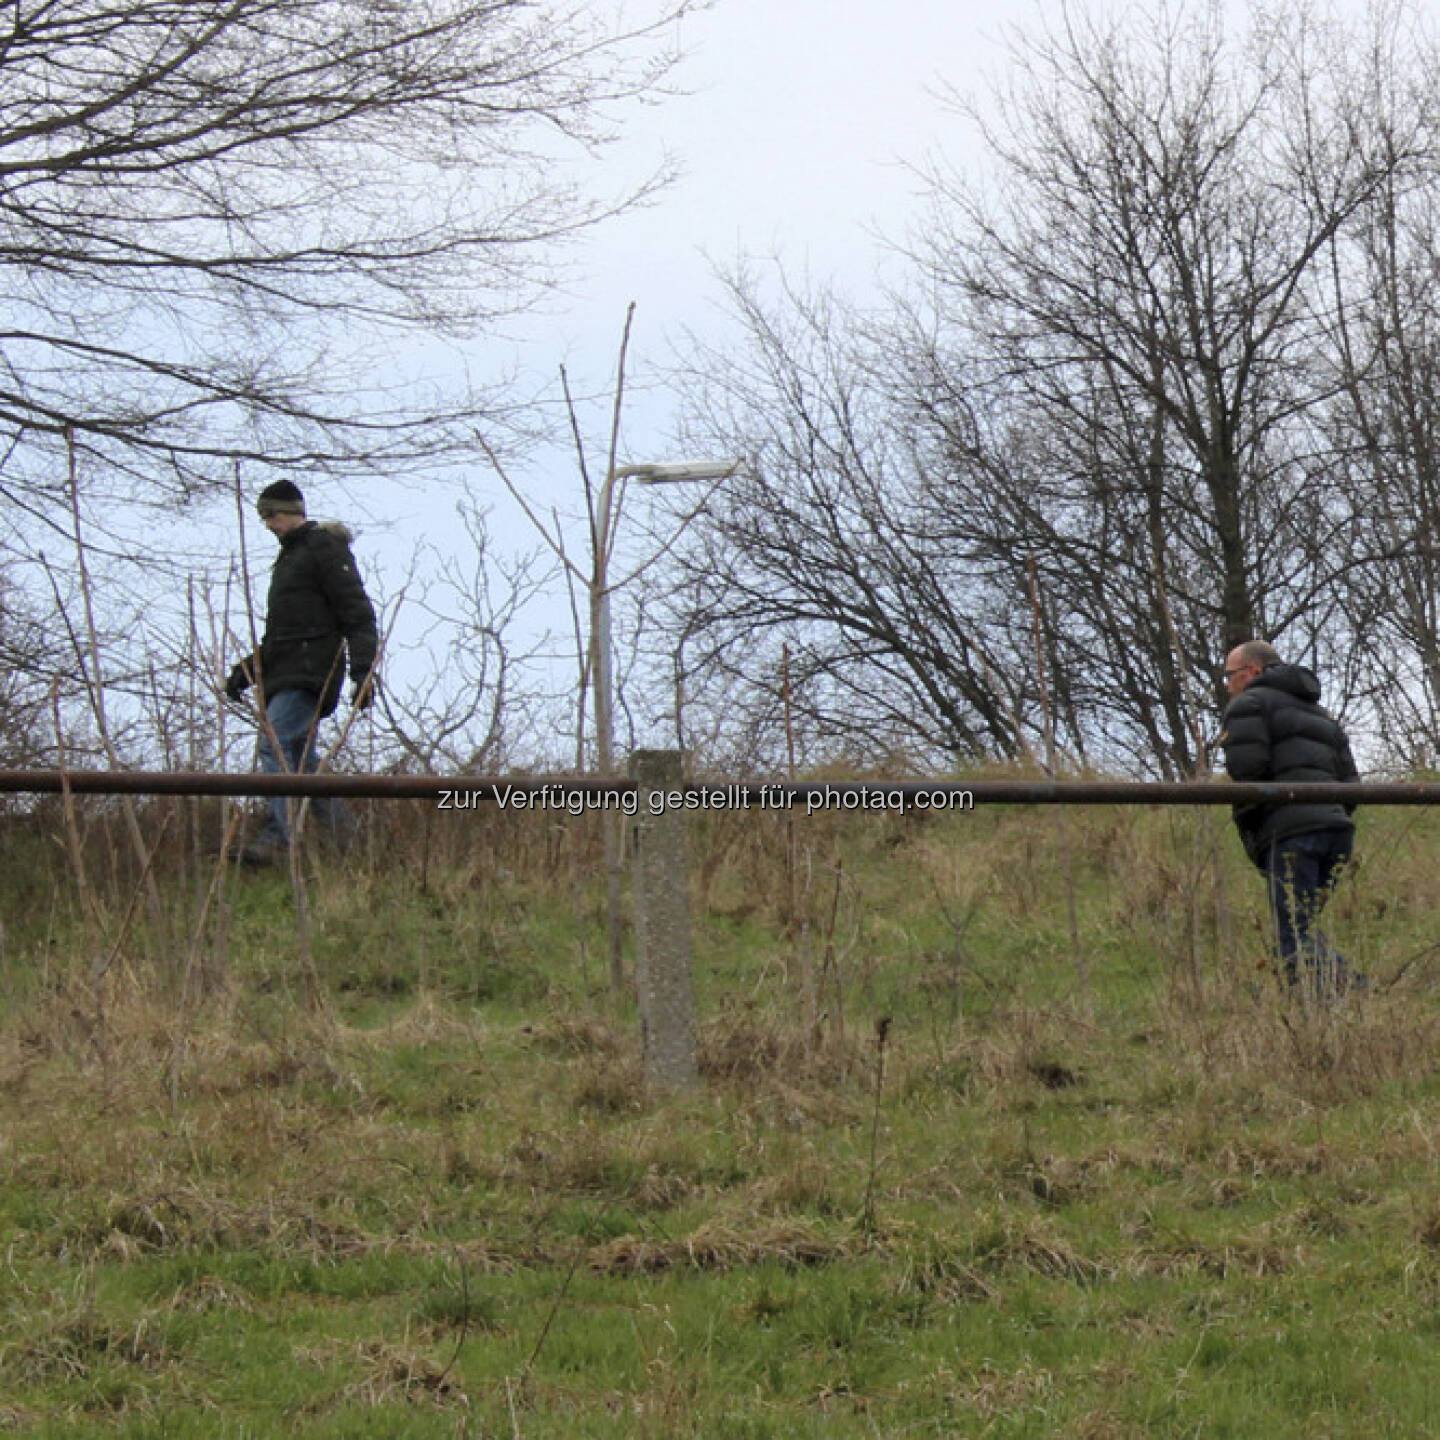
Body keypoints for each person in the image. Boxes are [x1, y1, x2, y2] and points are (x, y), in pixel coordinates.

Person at [225, 480, 378, 863]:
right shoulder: (290, 560)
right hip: (287, 671)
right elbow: (282, 635)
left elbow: (357, 614)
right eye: (264, 518)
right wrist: (246, 671)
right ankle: (352, 846)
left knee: (272, 743)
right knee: (303, 765)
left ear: (290, 512)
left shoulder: (321, 549)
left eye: (271, 516)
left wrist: (363, 673)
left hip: (310, 672)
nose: (268, 525)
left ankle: (281, 838)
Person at [1218, 639, 1361, 993]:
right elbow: (1352, 784)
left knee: (1295, 935)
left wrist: (1259, 824)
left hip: (1292, 832)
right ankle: (1342, 997)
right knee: (1304, 924)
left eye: (1229, 675)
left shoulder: (1248, 704)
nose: (1226, 685)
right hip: (1337, 831)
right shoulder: (1320, 714)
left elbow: (1247, 769)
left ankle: (1340, 1000)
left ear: (1252, 672)